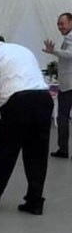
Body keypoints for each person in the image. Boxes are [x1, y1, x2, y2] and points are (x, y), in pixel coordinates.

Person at [0, 33, 53, 215]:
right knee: (37, 155)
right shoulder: (23, 50)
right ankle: (35, 202)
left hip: (19, 103)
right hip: (44, 100)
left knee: (3, 152)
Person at [43, 12, 72, 158]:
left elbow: (70, 54)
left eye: (62, 24)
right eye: (58, 24)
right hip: (68, 84)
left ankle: (63, 149)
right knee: (63, 117)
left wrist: (53, 51)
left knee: (63, 117)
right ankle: (63, 149)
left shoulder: (70, 37)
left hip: (69, 85)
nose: (60, 27)